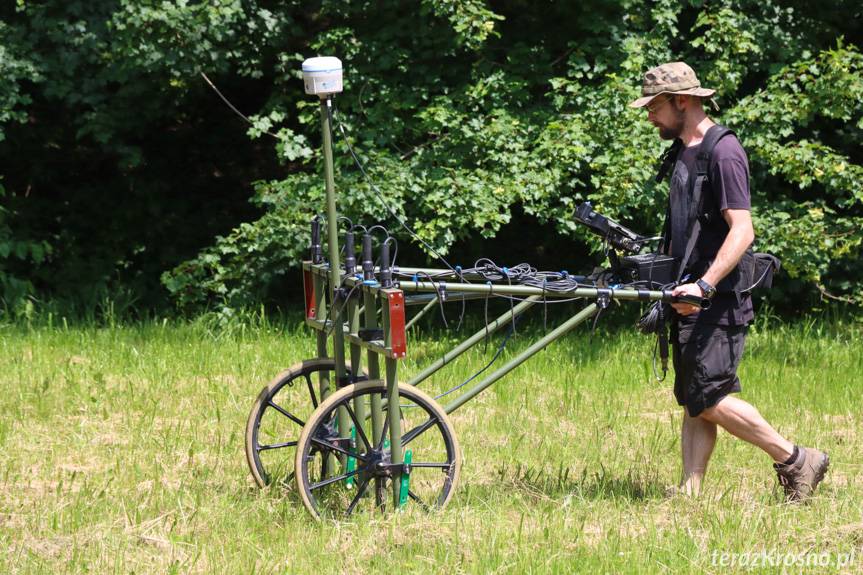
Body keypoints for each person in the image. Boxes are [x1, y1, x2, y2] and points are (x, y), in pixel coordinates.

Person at [629, 62, 829, 501]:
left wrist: (704, 286)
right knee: (693, 397)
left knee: (711, 396)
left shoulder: (723, 151)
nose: (649, 116)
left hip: (716, 298)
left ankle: (796, 458)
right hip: (689, 294)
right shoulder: (684, 151)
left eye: (655, 106)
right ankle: (691, 491)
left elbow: (742, 229)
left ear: (683, 101)